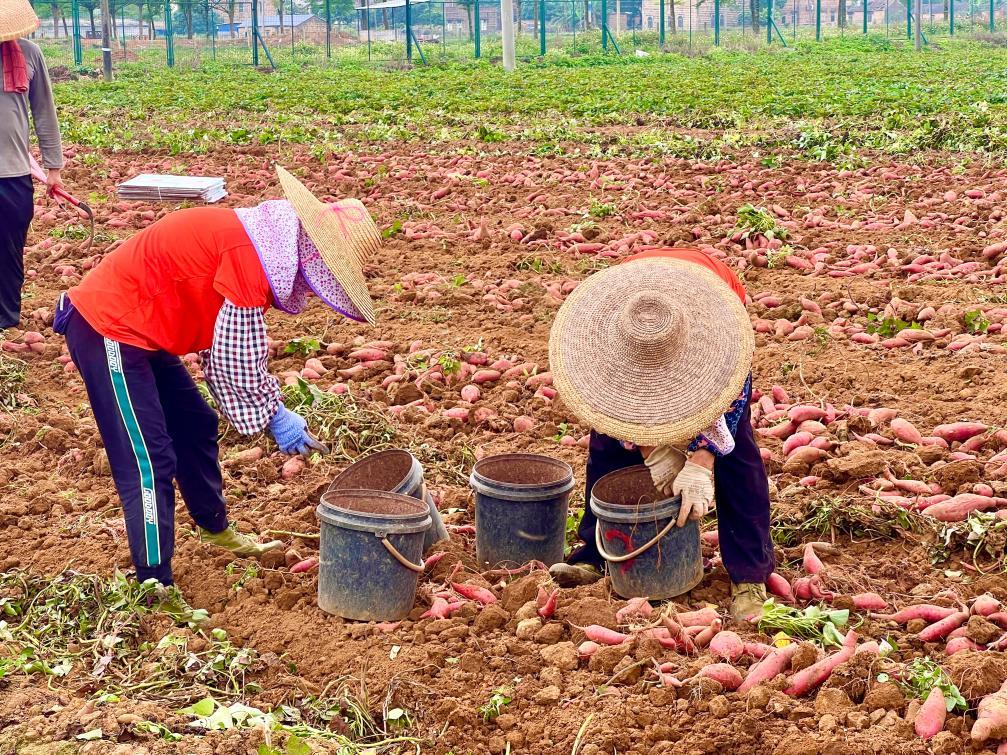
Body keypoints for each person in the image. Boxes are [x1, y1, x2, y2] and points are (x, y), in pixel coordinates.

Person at [53, 166, 381, 619]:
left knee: (195, 422)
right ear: (311, 251)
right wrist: (275, 416)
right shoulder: (249, 260)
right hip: (108, 329)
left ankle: (213, 526)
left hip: (144, 333)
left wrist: (262, 411)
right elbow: (235, 363)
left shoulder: (255, 243)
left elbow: (217, 346)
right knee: (149, 462)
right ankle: (154, 585)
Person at [546, 248, 775, 622]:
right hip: (629, 312)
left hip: (705, 303)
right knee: (607, 447)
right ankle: (595, 554)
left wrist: (702, 461)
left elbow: (732, 398)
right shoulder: (603, 337)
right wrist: (651, 449)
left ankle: (750, 574)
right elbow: (608, 403)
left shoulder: (722, 331)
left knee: (737, 458)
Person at [0, 0, 64, 329]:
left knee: (9, 251)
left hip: (12, 175)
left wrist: (53, 167)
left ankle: (6, 318)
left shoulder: (28, 54)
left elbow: (44, 112)